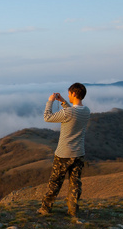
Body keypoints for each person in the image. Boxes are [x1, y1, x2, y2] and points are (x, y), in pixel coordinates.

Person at [38, 83, 90, 221]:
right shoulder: (86, 111)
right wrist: (63, 102)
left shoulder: (69, 113)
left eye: (69, 94)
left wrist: (50, 101)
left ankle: (45, 208)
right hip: (79, 153)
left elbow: (47, 117)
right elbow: (73, 113)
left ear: (73, 93)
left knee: (55, 182)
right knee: (75, 183)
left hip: (63, 154)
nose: (68, 95)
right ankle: (73, 211)